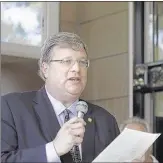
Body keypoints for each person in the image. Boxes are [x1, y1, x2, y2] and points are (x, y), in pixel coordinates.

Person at [1, 32, 120, 163]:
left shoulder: (105, 120)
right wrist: (54, 149)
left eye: (82, 62)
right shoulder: (11, 108)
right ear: (45, 69)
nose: (76, 68)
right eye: (66, 61)